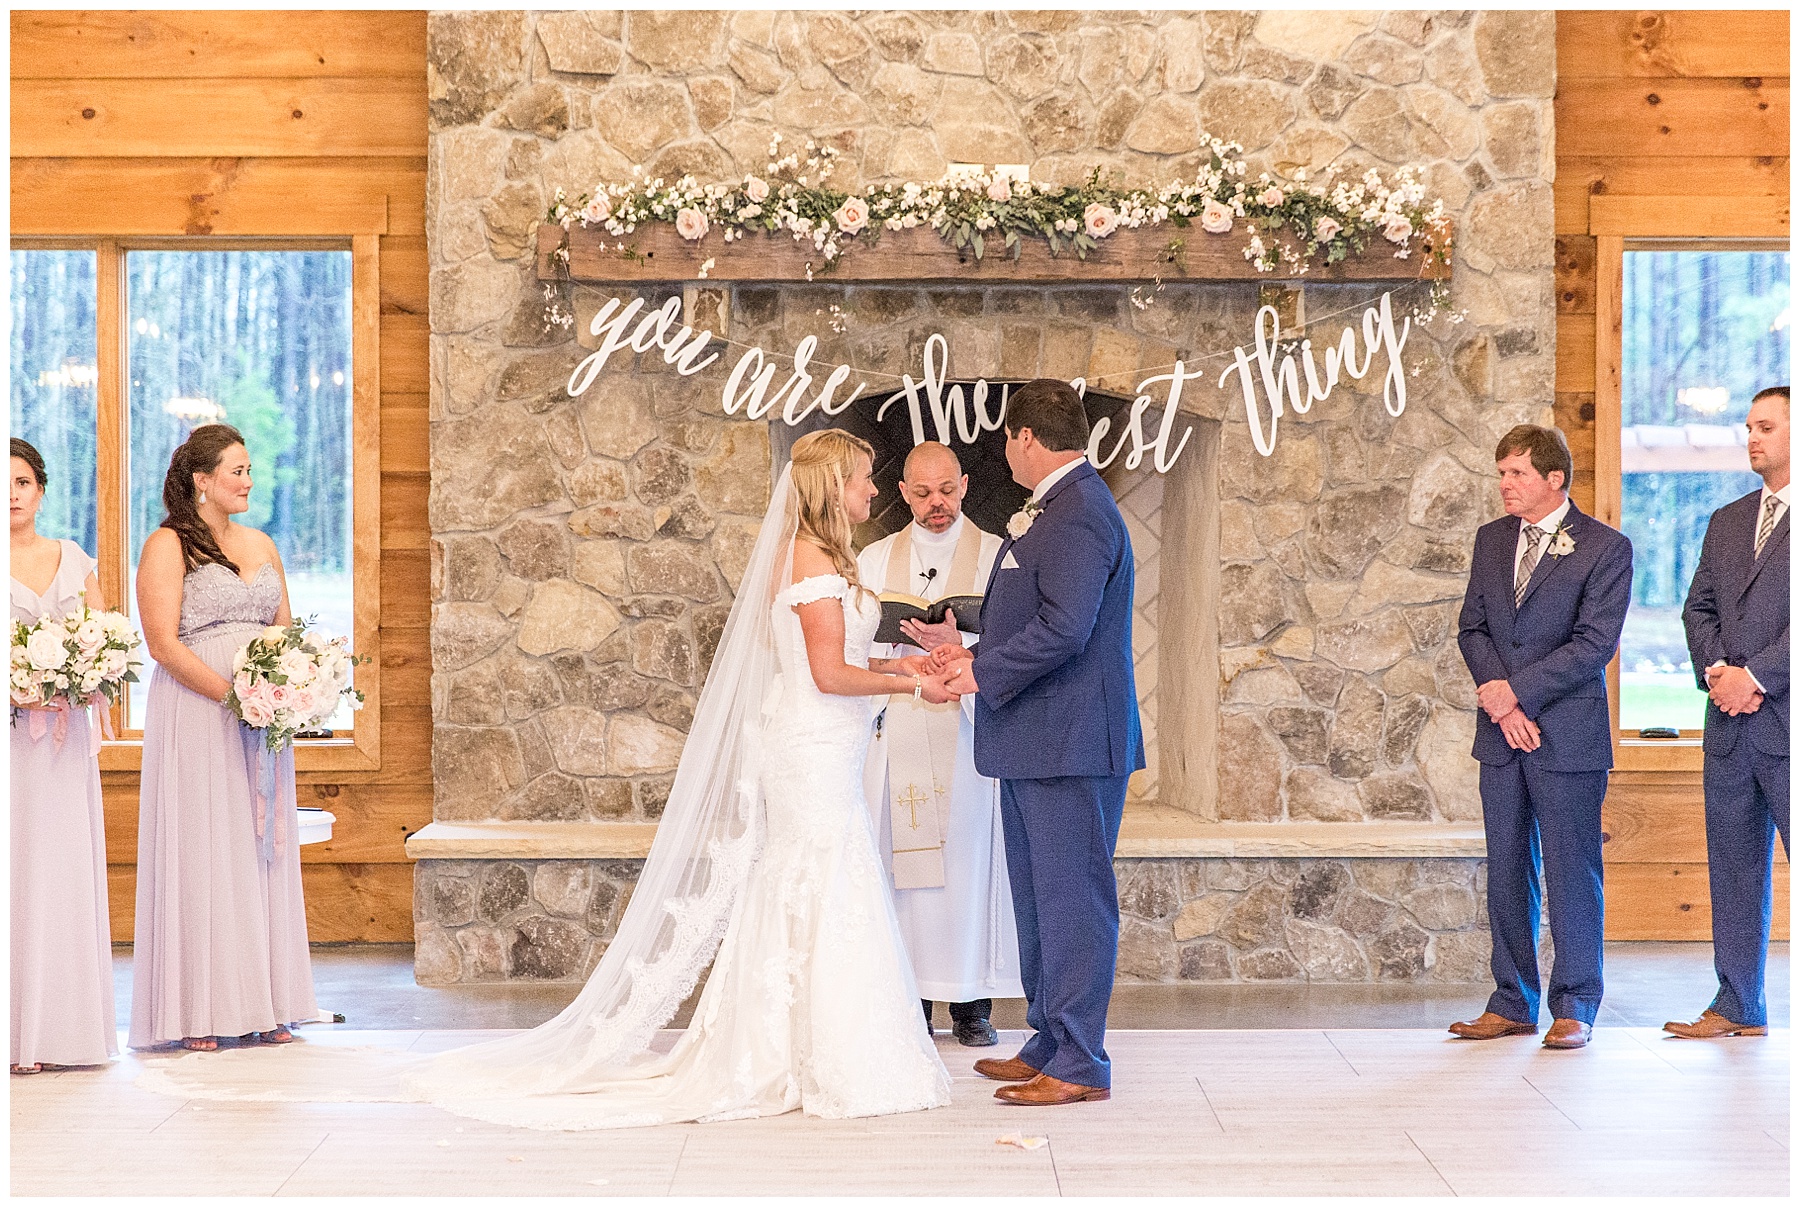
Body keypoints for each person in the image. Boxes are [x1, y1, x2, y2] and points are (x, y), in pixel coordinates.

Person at [140, 428, 959, 1131]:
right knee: (816, 878)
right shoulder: (811, 557)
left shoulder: (820, 555)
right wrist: (912, 681)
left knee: (813, 881)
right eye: (861, 478)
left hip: (820, 746)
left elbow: (840, 659)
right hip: (813, 743)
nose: (870, 489)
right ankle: (810, 1050)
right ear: (829, 487)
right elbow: (824, 671)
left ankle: (800, 1042)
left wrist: (909, 658)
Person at [934, 378, 1143, 1106]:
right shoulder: (1053, 508)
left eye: (1006, 438)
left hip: (1072, 742)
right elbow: (1036, 610)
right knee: (1038, 899)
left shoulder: (1081, 509)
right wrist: (966, 641)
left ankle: (1081, 1060)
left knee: (1073, 900)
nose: (1003, 449)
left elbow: (1067, 628)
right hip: (1037, 737)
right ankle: (1050, 1039)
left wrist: (977, 674)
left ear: (1026, 438)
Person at [130, 423, 318, 1051]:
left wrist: (288, 689)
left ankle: (267, 1004)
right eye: (236, 470)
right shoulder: (167, 545)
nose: (248, 481)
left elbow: (284, 631)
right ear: (201, 480)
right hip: (198, 711)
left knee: (261, 849)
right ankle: (201, 1010)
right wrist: (231, 696)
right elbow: (162, 643)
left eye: (248, 470)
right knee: (208, 850)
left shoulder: (262, 543)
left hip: (264, 720)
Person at [1450, 424, 1632, 1051]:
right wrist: (1500, 703)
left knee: (1571, 871)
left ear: (1555, 478)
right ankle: (1511, 1001)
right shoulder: (1490, 541)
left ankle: (1576, 1003)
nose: (1504, 484)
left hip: (1568, 738)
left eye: (1517, 474)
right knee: (1506, 869)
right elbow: (1472, 629)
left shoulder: (1606, 549)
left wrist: (1515, 693)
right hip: (1502, 736)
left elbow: (1593, 645)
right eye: (1501, 473)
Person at [857, 441, 1024, 1048]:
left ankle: (971, 1003)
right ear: (901, 492)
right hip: (901, 726)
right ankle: (913, 996)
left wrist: (963, 640)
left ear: (966, 484)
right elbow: (856, 648)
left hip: (968, 732)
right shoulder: (874, 560)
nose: (937, 504)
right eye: (923, 493)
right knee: (904, 870)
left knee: (967, 866)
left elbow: (1019, 644)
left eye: (947, 491)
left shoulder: (996, 559)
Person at [1667, 385, 1790, 1039]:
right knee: (1736, 870)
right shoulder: (1727, 519)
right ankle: (1738, 1002)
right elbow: (1698, 608)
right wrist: (1720, 674)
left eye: (1766, 426)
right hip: (1731, 729)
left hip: (1786, 723)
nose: (1752, 436)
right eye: (1748, 426)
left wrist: (1758, 677)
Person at [10, 438, 117, 1075]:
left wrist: (81, 674)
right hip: (11, 743)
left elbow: (104, 639)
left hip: (64, 743)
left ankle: (62, 1031)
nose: (12, 494)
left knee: (61, 874)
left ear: (40, 490)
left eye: (22, 482)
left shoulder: (73, 559)